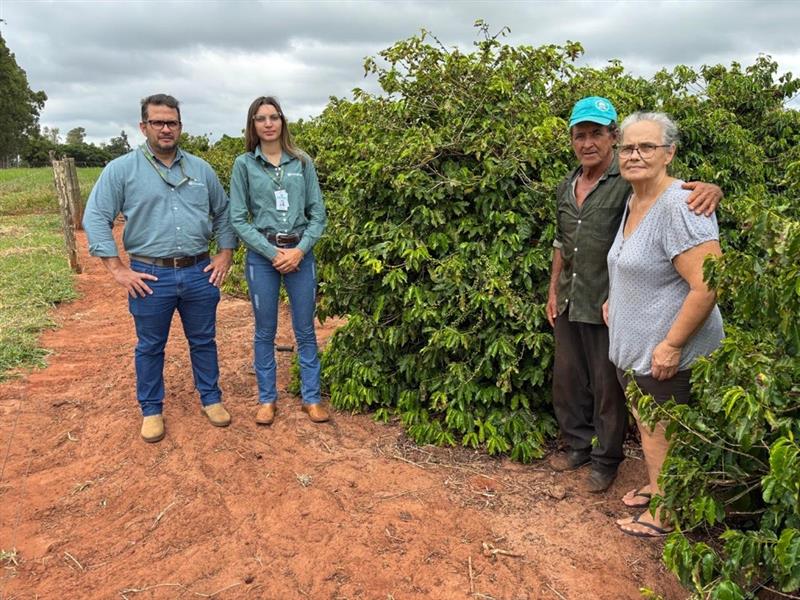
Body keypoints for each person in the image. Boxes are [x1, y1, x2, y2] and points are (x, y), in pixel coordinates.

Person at [546, 97, 722, 492]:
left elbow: (671, 192)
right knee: (569, 379)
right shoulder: (569, 186)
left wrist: (712, 189)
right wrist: (553, 289)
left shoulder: (626, 180)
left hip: (610, 304)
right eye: (579, 135)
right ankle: (577, 446)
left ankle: (606, 461)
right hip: (577, 297)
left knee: (609, 388)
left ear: (611, 137)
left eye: (596, 134)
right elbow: (561, 242)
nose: (588, 143)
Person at [83, 93, 237, 443]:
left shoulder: (200, 169)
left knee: (203, 340)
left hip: (199, 271)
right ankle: (151, 409)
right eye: (158, 122)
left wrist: (225, 253)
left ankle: (211, 398)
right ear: (144, 126)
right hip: (150, 276)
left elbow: (223, 212)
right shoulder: (121, 170)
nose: (166, 129)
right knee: (150, 345)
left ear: (180, 126)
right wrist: (117, 269)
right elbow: (95, 216)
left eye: (172, 123)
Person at [604, 111, 724, 536]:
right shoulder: (635, 199)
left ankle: (665, 513)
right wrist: (614, 299)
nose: (634, 155)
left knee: (660, 429)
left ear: (669, 153)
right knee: (649, 422)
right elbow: (638, 265)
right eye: (628, 148)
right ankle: (660, 489)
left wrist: (672, 344)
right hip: (638, 347)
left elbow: (708, 283)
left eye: (646, 147)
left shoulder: (680, 204)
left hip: (666, 349)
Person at [229, 96, 328, 425]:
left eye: (274, 117)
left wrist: (299, 250)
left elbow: (318, 215)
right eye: (261, 118)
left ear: (282, 121)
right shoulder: (244, 165)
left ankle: (311, 398)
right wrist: (273, 253)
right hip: (263, 257)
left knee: (305, 329)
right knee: (264, 330)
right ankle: (267, 398)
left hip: (301, 253)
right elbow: (239, 219)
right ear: (253, 124)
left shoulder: (302, 162)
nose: (268, 123)